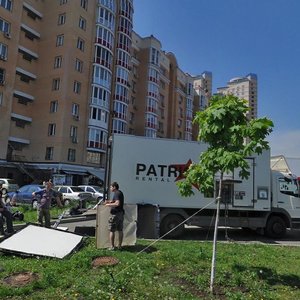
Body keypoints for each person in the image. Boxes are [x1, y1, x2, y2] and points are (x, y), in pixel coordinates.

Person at [105, 182, 125, 250]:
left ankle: (112, 247)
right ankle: (120, 246)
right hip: (121, 214)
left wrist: (107, 205)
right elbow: (115, 201)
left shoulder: (116, 193)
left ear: (114, 187)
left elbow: (117, 203)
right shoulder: (119, 193)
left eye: (111, 187)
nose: (110, 188)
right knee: (120, 230)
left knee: (112, 230)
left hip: (115, 214)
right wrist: (109, 201)